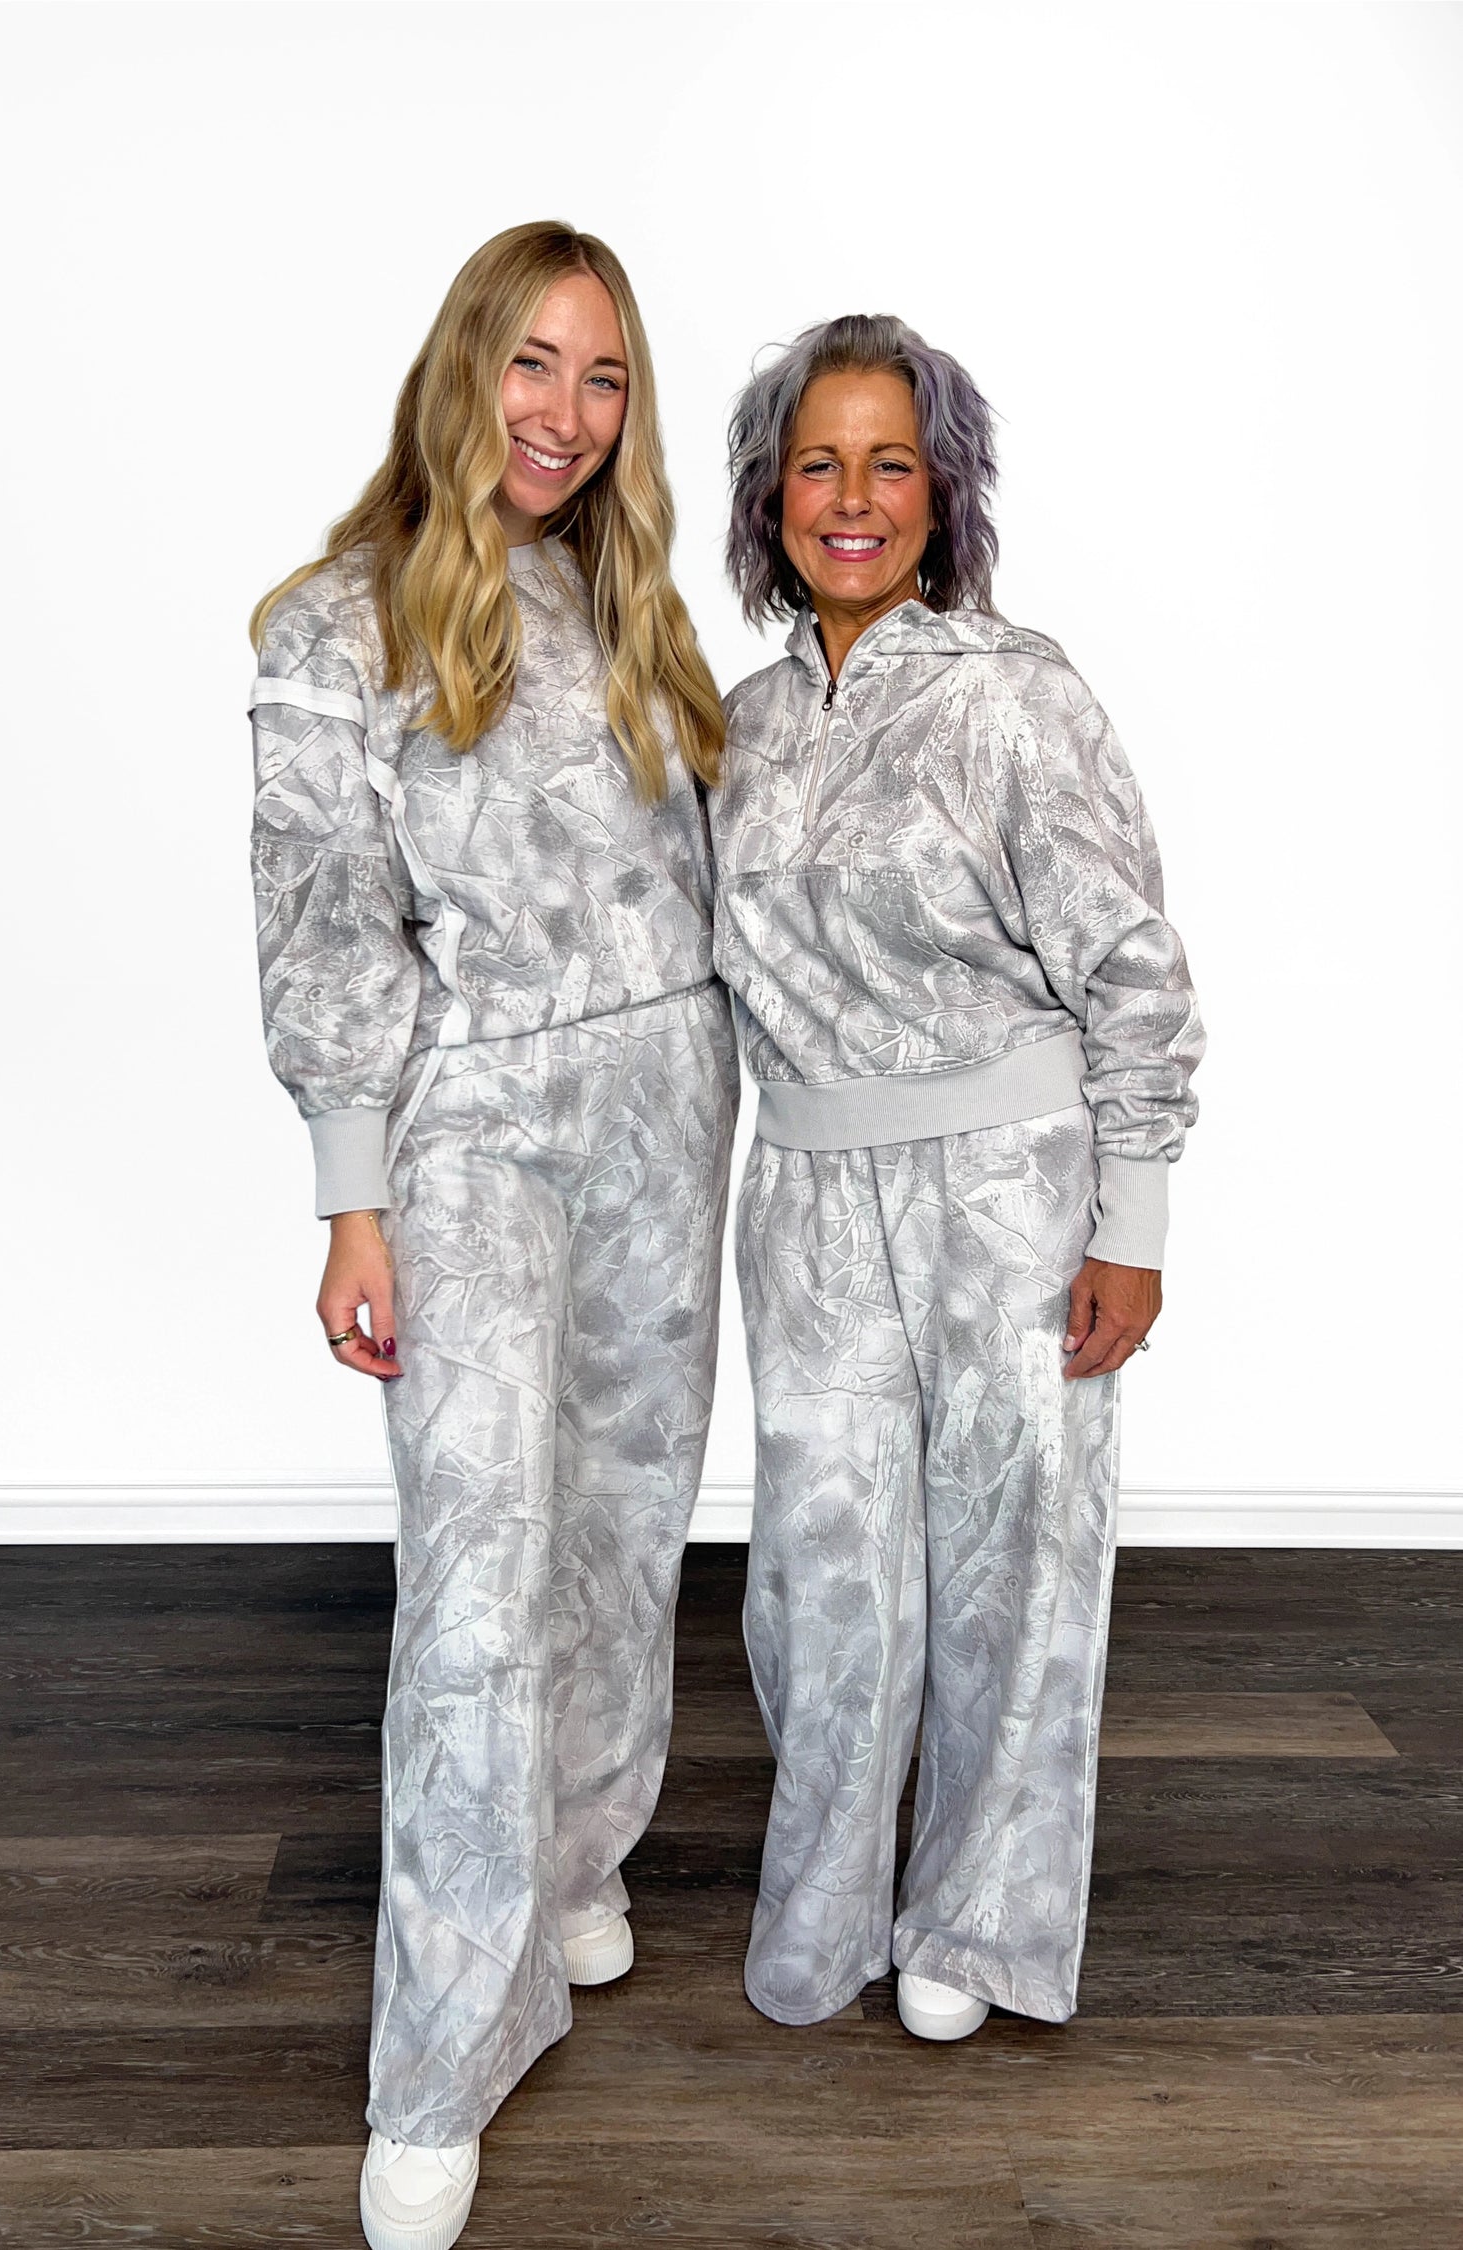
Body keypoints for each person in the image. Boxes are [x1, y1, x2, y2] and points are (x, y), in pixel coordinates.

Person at [248, 221, 737, 2249]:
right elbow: (320, 914)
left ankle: (573, 1862)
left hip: (671, 1098)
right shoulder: (333, 622)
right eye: (535, 363)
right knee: (477, 1573)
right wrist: (351, 1194)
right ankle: (439, 2057)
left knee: (626, 1521)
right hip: (477, 1124)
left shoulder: (629, 599)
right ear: (466, 366)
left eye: (605, 377)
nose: (567, 413)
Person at [711, 314, 1204, 2046]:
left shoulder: (1018, 694)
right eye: (818, 463)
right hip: (810, 1202)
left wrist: (1130, 1221)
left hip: (1011, 1191)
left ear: (945, 493)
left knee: (1015, 1564)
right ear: (770, 496)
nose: (852, 499)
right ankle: (829, 1899)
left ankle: (977, 1923)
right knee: (825, 1571)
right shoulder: (734, 729)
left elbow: (1133, 971)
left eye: (890, 463)